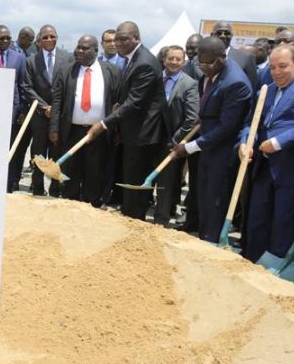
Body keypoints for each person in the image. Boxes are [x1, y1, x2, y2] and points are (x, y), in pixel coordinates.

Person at [238, 45, 294, 263]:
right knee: (256, 223)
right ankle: (251, 268)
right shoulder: (265, 90)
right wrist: (245, 141)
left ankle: (274, 277)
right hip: (264, 169)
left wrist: (277, 143)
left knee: (283, 226)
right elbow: (251, 123)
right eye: (273, 67)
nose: (277, 72)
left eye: (283, 66)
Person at [86, 21, 170, 220]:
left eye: (123, 39)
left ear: (137, 38)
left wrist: (104, 124)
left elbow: (135, 103)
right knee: (129, 179)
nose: (118, 43)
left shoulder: (145, 63)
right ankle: (129, 215)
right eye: (116, 39)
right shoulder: (133, 58)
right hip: (132, 130)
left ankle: (134, 222)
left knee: (135, 182)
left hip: (144, 134)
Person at [172, 36, 252, 243]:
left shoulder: (235, 83)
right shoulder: (209, 72)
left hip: (222, 152)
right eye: (200, 62)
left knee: (215, 200)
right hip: (208, 146)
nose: (203, 68)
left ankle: (211, 241)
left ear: (222, 58)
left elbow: (227, 127)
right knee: (203, 196)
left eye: (208, 63)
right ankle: (203, 236)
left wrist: (189, 147)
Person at [50, 35, 120, 206]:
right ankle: (70, 205)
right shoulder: (66, 71)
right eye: (78, 47)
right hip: (72, 131)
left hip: (99, 133)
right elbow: (57, 101)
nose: (79, 51)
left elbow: (118, 103)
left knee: (94, 172)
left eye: (84, 48)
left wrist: (116, 130)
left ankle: (91, 206)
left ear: (96, 51)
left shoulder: (111, 71)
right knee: (70, 171)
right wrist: (54, 129)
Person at [20, 24, 70, 196]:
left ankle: (56, 189)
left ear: (57, 37)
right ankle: (38, 188)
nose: (49, 39)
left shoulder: (67, 58)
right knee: (38, 153)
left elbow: (69, 87)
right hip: (39, 116)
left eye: (52, 36)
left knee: (57, 153)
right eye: (45, 37)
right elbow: (27, 87)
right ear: (39, 41)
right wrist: (44, 107)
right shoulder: (31, 61)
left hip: (59, 116)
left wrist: (55, 109)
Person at [154, 45, 199, 226]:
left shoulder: (189, 84)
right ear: (164, 60)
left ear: (184, 61)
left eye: (177, 59)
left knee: (166, 185)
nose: (173, 62)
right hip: (150, 139)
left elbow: (192, 119)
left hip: (171, 142)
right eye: (170, 58)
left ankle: (160, 220)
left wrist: (176, 140)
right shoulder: (155, 78)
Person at [0, 25, 28, 192]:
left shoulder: (19, 58)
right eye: (1, 38)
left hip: (12, 113)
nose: (6, 41)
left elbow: (22, 86)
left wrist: (22, 110)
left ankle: (9, 185)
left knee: (11, 150)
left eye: (8, 38)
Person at [211, 20, 259, 90]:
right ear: (212, 35)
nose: (223, 36)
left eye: (227, 33)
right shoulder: (200, 58)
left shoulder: (245, 58)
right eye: (219, 33)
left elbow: (253, 87)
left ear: (232, 35)